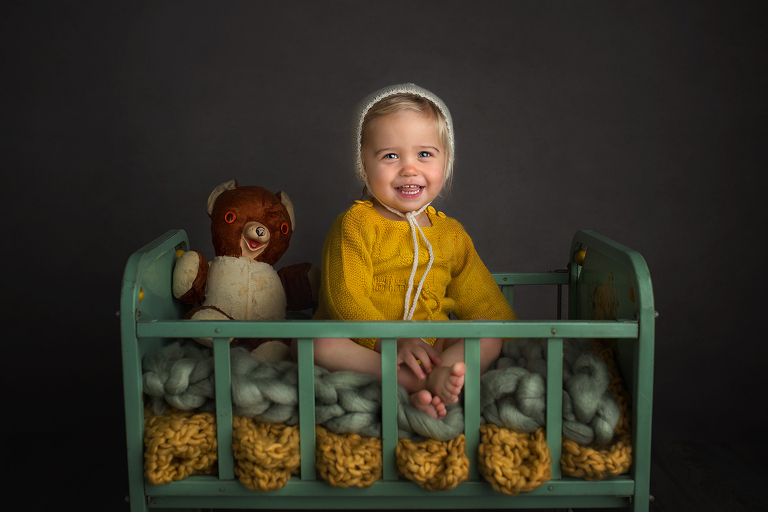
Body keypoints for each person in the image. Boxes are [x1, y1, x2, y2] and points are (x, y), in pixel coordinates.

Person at [306, 83, 517, 419]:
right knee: (318, 343)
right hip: (371, 347)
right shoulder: (356, 223)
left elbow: (483, 297)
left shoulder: (450, 234)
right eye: (390, 155)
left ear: (445, 162)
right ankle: (420, 385)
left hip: (432, 346)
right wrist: (393, 340)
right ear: (363, 163)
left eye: (425, 154)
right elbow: (344, 298)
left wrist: (522, 337)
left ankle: (437, 376)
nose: (409, 168)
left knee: (488, 332)